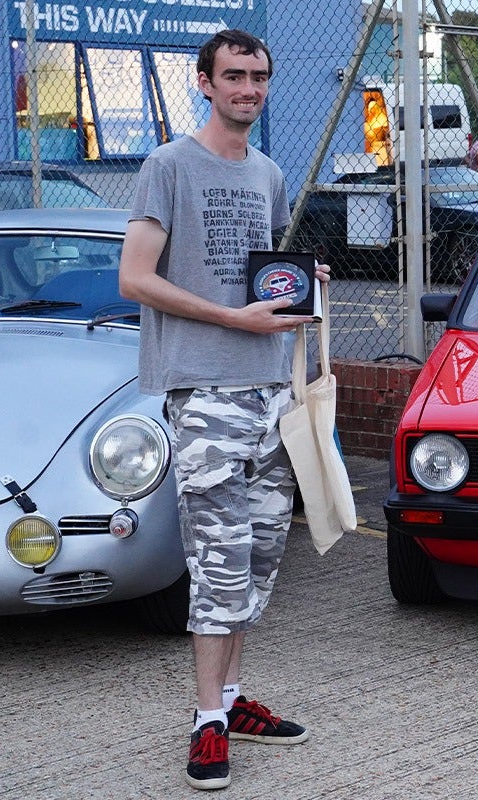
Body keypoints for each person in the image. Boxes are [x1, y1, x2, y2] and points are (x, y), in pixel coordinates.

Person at [118, 29, 329, 792]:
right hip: (206, 391)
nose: (249, 88)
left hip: (272, 391)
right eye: (234, 76)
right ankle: (208, 718)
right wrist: (232, 320)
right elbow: (135, 278)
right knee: (216, 557)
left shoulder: (268, 172)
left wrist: (300, 282)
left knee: (260, 555)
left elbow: (257, 276)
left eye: (259, 77)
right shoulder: (168, 167)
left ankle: (234, 700)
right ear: (204, 83)